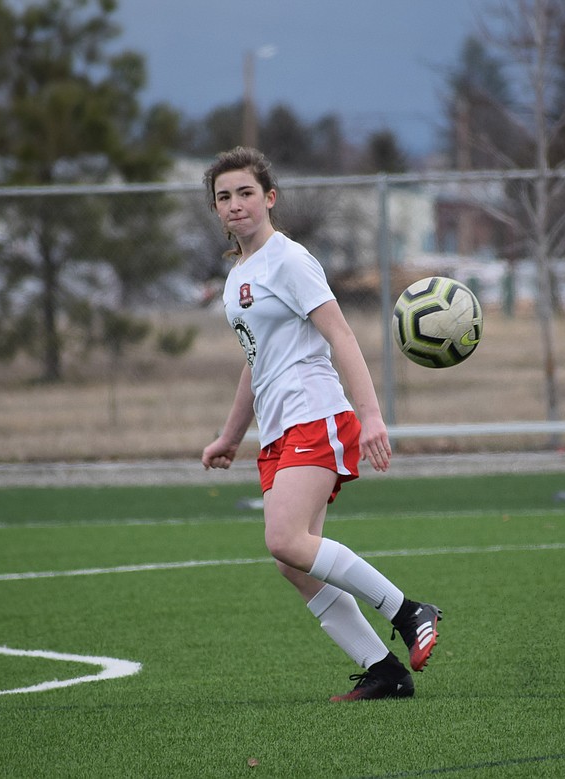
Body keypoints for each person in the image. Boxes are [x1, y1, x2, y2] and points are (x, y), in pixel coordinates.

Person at [199, 146, 441, 700]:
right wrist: (231, 435)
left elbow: (341, 336)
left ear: (269, 198)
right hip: (279, 427)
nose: (235, 205)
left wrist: (372, 417)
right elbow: (254, 361)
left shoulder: (289, 259)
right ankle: (384, 671)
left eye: (245, 193)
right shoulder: (241, 271)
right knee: (294, 560)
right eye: (223, 197)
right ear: (215, 209)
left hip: (316, 413)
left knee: (284, 538)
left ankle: (408, 611)